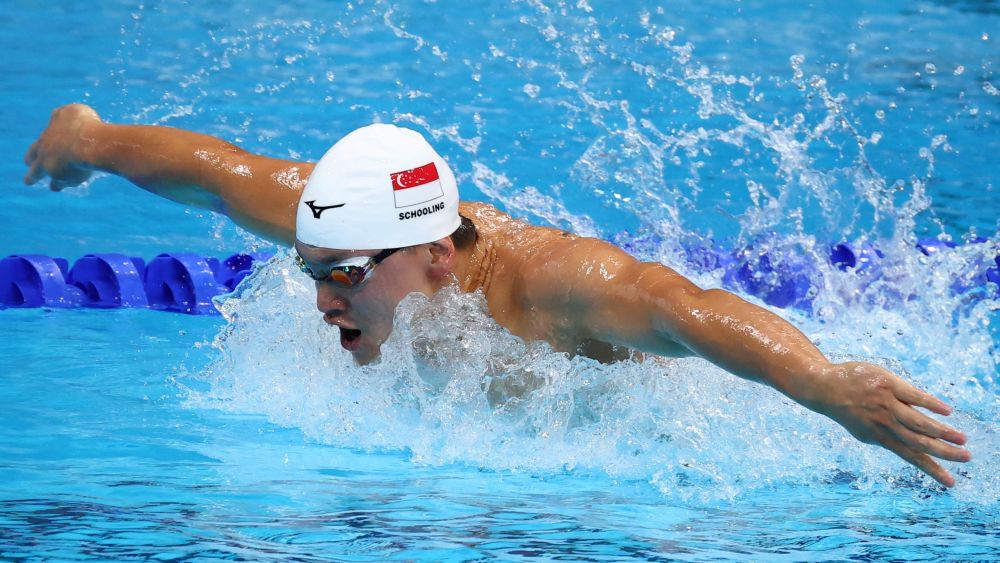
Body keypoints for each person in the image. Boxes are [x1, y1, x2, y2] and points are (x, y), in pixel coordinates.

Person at [24, 103, 972, 487]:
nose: (318, 298)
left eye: (341, 275)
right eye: (312, 270)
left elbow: (685, 306)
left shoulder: (555, 289)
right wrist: (87, 140)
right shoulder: (345, 225)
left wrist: (821, 385)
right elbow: (216, 171)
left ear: (438, 255)